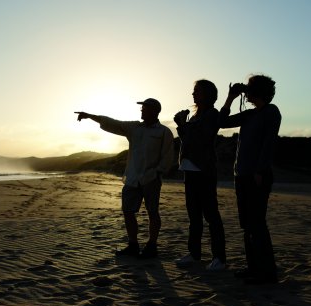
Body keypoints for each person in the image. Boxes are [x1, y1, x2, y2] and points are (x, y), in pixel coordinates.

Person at [75, 98, 174, 258]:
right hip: (133, 177)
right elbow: (112, 122)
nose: (141, 110)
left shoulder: (164, 132)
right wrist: (89, 116)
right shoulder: (134, 127)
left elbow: (168, 156)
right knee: (128, 211)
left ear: (154, 111)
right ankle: (133, 245)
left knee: (153, 211)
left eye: (144, 108)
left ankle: (152, 245)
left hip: (151, 179)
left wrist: (157, 173)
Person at [219, 74, 281, 284]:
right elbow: (222, 122)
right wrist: (230, 98)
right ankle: (254, 268)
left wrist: (260, 171)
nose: (246, 92)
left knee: (257, 224)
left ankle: (267, 272)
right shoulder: (249, 115)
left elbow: (268, 143)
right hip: (242, 175)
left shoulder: (271, 112)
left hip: (257, 175)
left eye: (249, 89)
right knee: (248, 224)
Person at [173, 80, 226, 270]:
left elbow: (200, 140)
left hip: (204, 169)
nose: (193, 94)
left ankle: (219, 258)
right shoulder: (195, 115)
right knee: (194, 215)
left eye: (197, 91)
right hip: (190, 168)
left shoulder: (212, 114)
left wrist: (181, 124)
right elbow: (187, 141)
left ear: (208, 94)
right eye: (194, 91)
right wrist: (182, 125)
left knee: (211, 215)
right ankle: (194, 254)